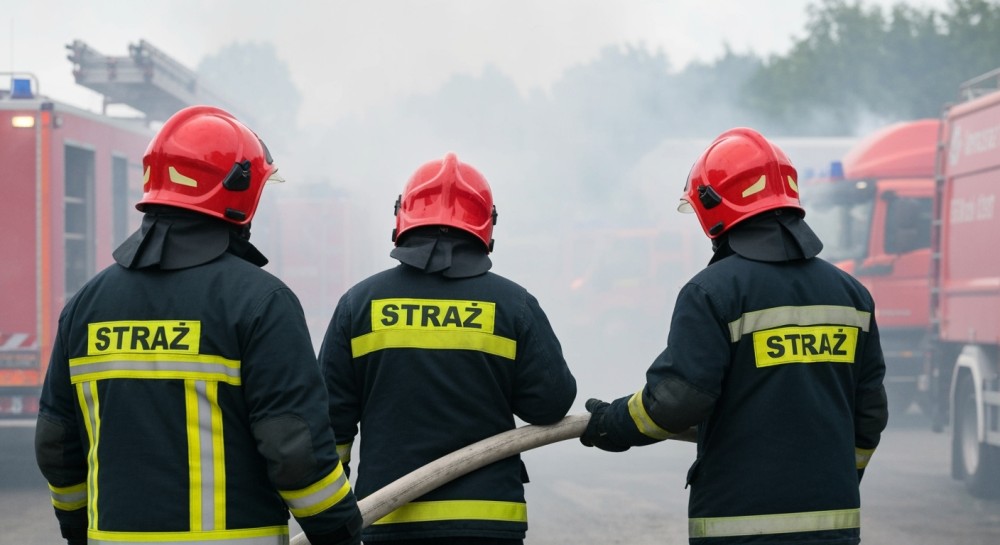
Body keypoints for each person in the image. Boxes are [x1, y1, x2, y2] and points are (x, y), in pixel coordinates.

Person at [34, 105, 363, 545]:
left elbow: (56, 444)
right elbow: (294, 451)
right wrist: (339, 531)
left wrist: (77, 529)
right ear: (239, 190)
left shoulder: (86, 305)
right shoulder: (262, 302)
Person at [580, 127, 889, 545]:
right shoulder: (853, 295)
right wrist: (839, 474)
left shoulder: (711, 292)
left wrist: (610, 425)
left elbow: (678, 400)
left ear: (712, 205)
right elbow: (870, 414)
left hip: (740, 526)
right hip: (833, 524)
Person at [319, 152, 577, 544]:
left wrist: (333, 517)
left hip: (386, 519)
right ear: (486, 224)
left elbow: (329, 425)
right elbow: (550, 404)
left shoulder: (360, 304)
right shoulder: (513, 305)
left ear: (402, 217)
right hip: (487, 522)